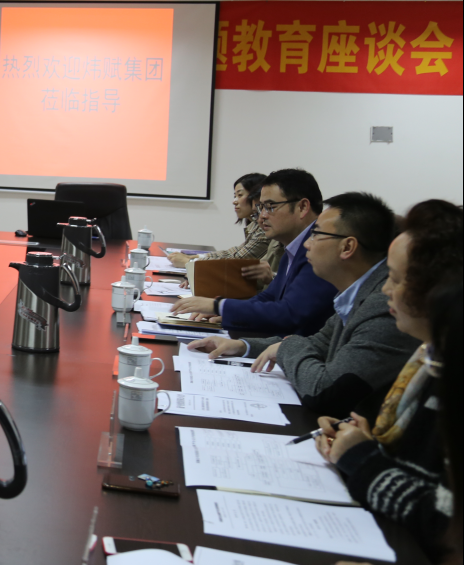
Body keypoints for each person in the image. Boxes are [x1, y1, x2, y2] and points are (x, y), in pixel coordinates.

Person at [313, 200, 462, 560]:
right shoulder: (428, 359)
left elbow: (442, 520)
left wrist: (360, 457)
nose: (385, 290)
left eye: (395, 279)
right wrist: (363, 441)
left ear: (438, 291)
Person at [185, 192, 419, 419]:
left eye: (316, 234)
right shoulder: (356, 292)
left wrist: (286, 347)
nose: (307, 243)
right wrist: (242, 346)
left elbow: (325, 391)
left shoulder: (382, 305)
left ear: (347, 247)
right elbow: (318, 342)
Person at [171, 168, 338, 336]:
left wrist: (219, 306)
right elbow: (268, 297)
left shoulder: (320, 249)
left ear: (302, 207)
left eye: (270, 207)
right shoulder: (293, 245)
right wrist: (226, 312)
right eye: (260, 208)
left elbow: (289, 314)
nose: (261, 217)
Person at [167, 172, 268, 267]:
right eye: (235, 196)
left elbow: (238, 260)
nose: (234, 201)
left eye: (240, 195)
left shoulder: (264, 229)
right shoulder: (255, 225)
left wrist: (189, 262)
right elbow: (234, 252)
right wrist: (197, 257)